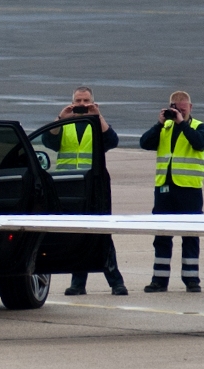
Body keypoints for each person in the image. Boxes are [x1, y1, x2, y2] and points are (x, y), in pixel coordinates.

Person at [43, 87, 128, 296]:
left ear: (93, 102)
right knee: (77, 234)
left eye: (86, 101)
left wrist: (98, 116)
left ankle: (116, 282)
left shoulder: (96, 124)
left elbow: (112, 141)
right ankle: (78, 283)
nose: (82, 105)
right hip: (70, 184)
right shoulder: (65, 125)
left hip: (94, 185)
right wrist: (60, 118)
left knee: (101, 234)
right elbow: (48, 141)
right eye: (78, 101)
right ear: (72, 102)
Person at [140, 91, 204, 293]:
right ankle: (159, 280)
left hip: (189, 189)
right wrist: (159, 124)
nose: (179, 112)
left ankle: (191, 279)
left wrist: (182, 123)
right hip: (164, 188)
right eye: (175, 109)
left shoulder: (199, 127)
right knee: (162, 235)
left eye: (183, 109)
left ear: (190, 108)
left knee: (190, 235)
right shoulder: (165, 127)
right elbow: (145, 143)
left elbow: (199, 143)